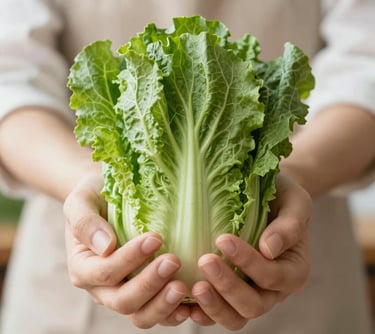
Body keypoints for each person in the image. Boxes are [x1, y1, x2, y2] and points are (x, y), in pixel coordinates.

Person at [0, 0, 374, 333]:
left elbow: (365, 62)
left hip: (294, 282)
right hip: (74, 294)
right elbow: (9, 73)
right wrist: (81, 179)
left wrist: (294, 177)